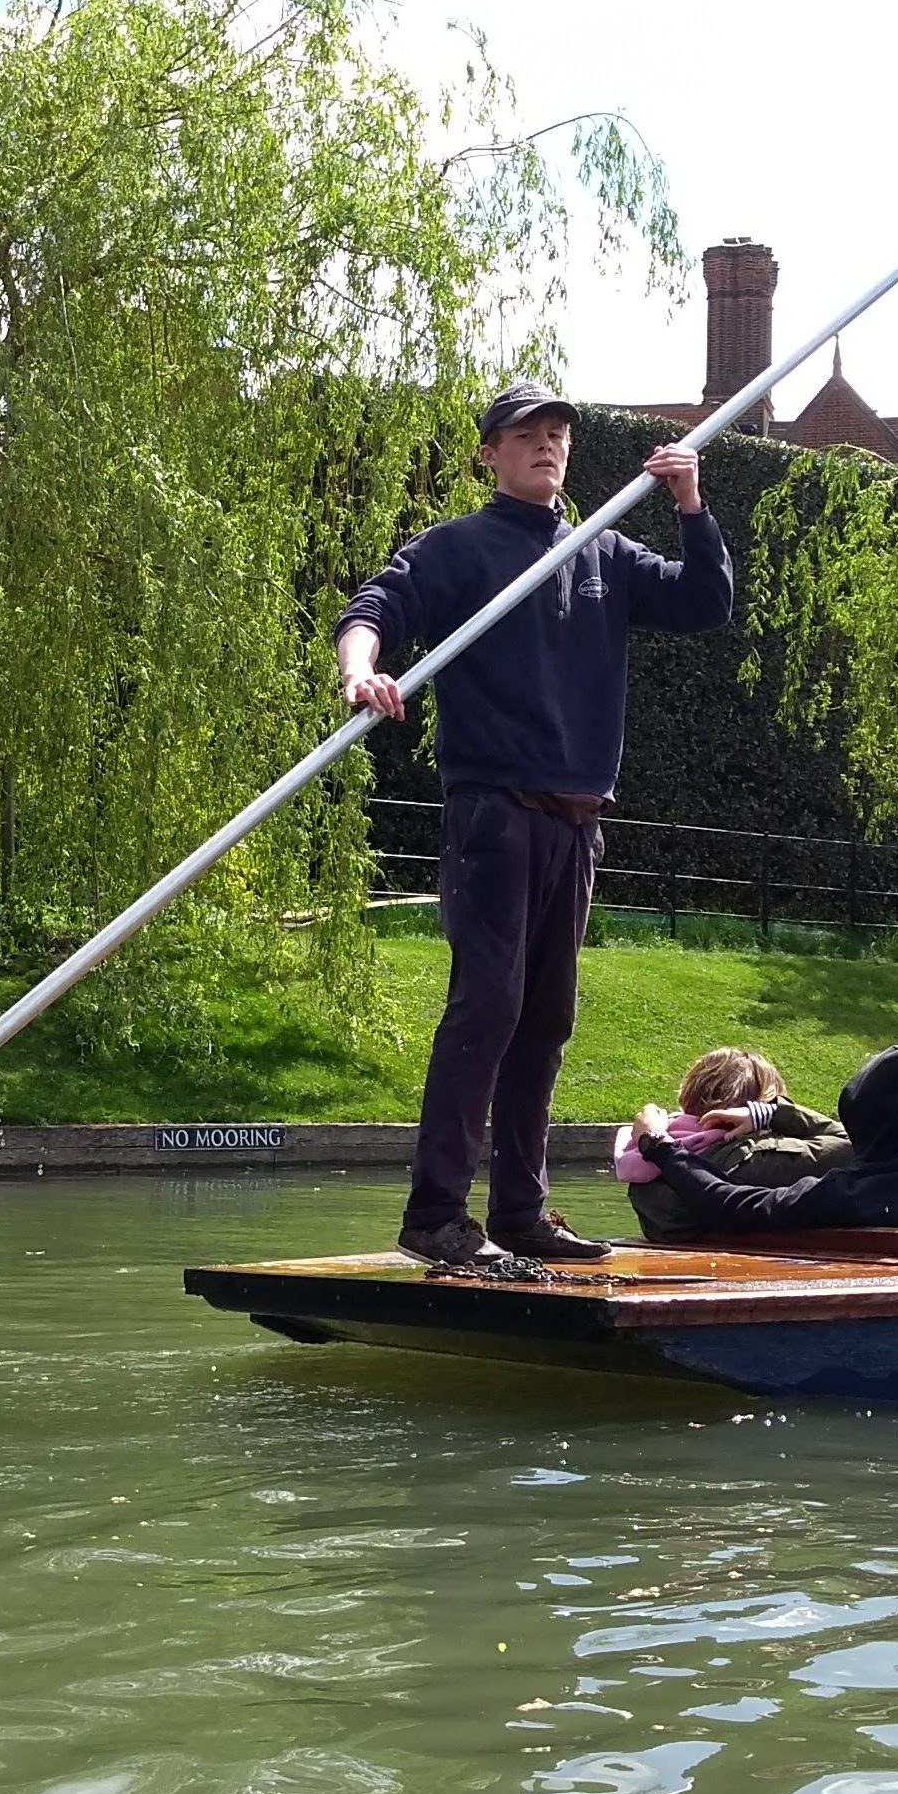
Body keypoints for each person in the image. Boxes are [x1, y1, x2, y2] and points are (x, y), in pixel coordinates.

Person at [340, 382, 730, 1269]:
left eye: (557, 434)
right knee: (489, 1005)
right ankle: (437, 1216)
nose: (548, 445)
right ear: (490, 453)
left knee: (546, 1017)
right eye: (527, 435)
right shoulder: (459, 549)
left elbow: (705, 602)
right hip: (496, 813)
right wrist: (361, 674)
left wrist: (691, 505)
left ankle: (521, 1210)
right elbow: (372, 613)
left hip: (576, 822)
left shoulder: (603, 551)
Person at [630, 1045, 898, 1238]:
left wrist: (659, 1144)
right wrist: (770, 1112)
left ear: (856, 1110)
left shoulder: (843, 1193)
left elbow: (728, 1205)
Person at [616, 1046, 849, 1244]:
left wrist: (652, 1134)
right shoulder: (753, 1159)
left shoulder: (647, 1162)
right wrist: (774, 1113)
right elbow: (859, 1146)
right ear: (753, 1105)